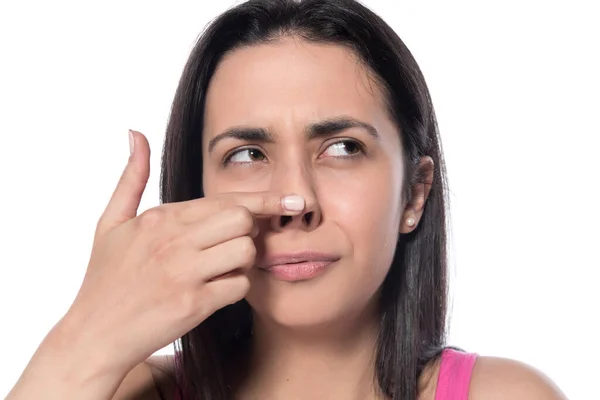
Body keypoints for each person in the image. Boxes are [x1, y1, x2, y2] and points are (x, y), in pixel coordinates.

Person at [7, 0, 568, 399]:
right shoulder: (117, 391)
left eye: (343, 147)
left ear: (413, 195)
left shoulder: (507, 395)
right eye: (248, 154)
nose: (294, 199)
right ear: (196, 193)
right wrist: (87, 335)